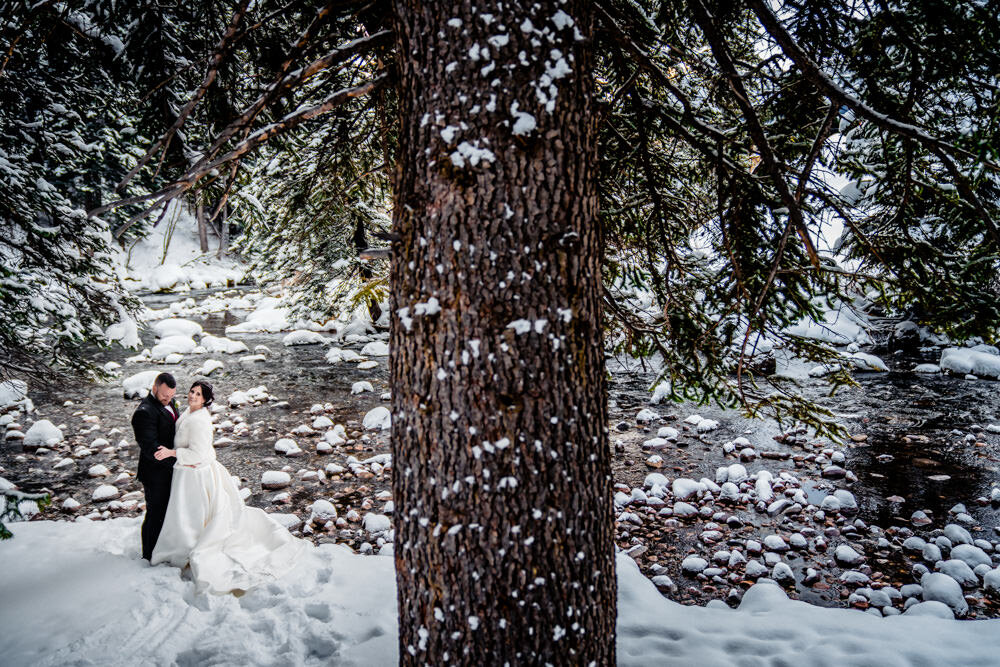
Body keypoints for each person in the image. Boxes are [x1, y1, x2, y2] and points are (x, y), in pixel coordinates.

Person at [150, 380, 305, 593]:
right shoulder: (189, 412)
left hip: (195, 475)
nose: (193, 396)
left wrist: (171, 453)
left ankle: (186, 548)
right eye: (192, 392)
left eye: (198, 394)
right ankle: (179, 546)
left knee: (192, 515)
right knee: (187, 515)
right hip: (186, 472)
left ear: (205, 400)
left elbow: (199, 454)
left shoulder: (200, 421)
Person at [131, 372, 180, 561]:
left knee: (167, 511)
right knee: (155, 513)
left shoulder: (170, 402)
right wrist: (179, 460)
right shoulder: (144, 412)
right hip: (155, 473)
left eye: (171, 396)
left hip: (169, 469)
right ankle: (149, 555)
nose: (168, 399)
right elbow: (151, 448)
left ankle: (164, 549)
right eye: (164, 396)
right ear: (154, 388)